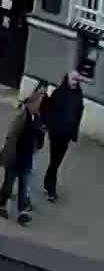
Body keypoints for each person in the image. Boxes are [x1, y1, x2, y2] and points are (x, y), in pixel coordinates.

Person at [0, 88, 46, 223]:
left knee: (24, 186)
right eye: (37, 104)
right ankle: (2, 205)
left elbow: (39, 138)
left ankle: (21, 213)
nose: (39, 107)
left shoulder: (38, 118)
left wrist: (39, 141)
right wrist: (9, 155)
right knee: (8, 184)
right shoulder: (21, 116)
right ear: (31, 104)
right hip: (15, 156)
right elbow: (11, 136)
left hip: (27, 158)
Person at [44, 71, 86, 202]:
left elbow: (78, 115)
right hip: (56, 133)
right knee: (55, 160)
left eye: (77, 80)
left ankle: (48, 181)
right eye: (73, 79)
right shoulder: (59, 92)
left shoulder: (79, 96)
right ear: (67, 79)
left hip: (66, 135)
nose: (75, 81)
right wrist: (48, 125)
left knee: (56, 162)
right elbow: (49, 109)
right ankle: (51, 188)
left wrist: (74, 134)